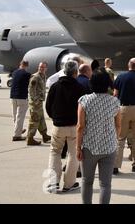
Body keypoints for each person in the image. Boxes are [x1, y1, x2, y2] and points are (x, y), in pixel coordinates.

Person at [77, 69, 121, 204]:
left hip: (89, 147)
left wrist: (78, 147)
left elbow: (80, 126)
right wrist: (115, 141)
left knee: (87, 181)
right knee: (106, 184)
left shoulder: (84, 100)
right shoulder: (114, 101)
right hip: (109, 147)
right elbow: (118, 125)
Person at [45, 61, 86, 193]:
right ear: (75, 73)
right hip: (74, 126)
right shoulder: (80, 88)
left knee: (55, 152)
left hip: (58, 125)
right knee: (73, 154)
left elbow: (48, 106)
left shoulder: (55, 86)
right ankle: (69, 184)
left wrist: (54, 117)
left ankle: (53, 183)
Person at [27, 62, 51, 145]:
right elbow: (31, 90)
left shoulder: (43, 76)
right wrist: (35, 101)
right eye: (40, 67)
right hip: (35, 103)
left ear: (46, 68)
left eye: (43, 67)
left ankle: (44, 135)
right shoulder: (35, 77)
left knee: (41, 119)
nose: (41, 68)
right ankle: (30, 138)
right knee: (34, 119)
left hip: (39, 102)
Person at [10, 60, 31, 141]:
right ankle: (17, 135)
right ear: (27, 66)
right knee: (20, 117)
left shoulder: (14, 73)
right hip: (21, 97)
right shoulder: (27, 74)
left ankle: (18, 130)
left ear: (20, 64)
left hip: (12, 96)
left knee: (15, 115)